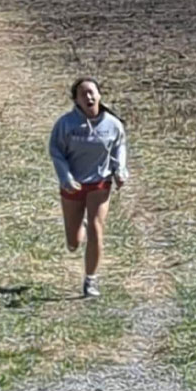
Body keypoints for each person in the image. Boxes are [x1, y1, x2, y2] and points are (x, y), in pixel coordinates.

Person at [48, 78, 129, 299]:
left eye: (92, 92)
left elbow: (119, 147)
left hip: (100, 183)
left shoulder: (113, 124)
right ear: (76, 100)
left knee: (96, 228)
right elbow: (56, 151)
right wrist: (65, 176)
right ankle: (79, 226)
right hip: (73, 185)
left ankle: (91, 280)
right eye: (83, 94)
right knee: (73, 243)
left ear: (100, 95)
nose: (89, 97)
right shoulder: (65, 124)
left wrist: (120, 171)